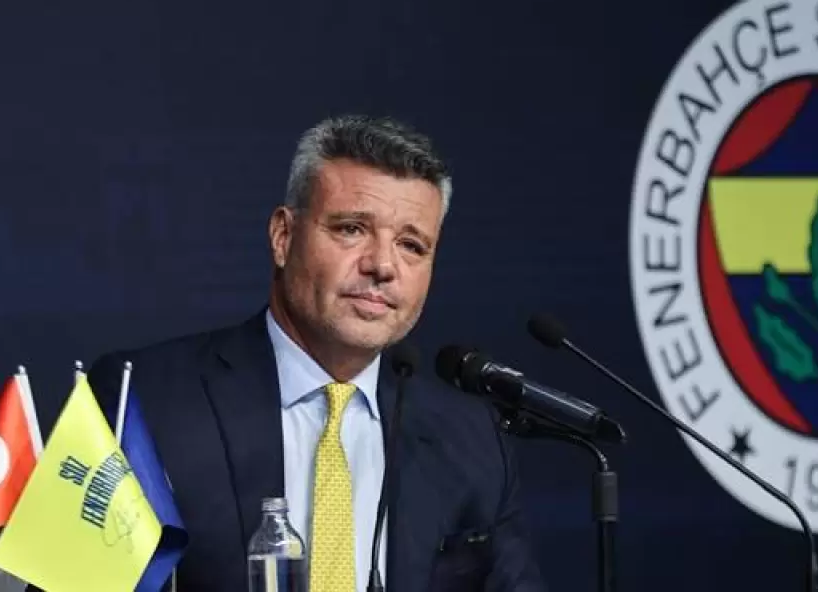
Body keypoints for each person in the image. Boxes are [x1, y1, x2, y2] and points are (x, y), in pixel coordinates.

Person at [87, 115, 545, 592]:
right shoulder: (144, 400)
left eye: (411, 245)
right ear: (283, 237)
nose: (382, 265)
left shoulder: (470, 441)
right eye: (352, 229)